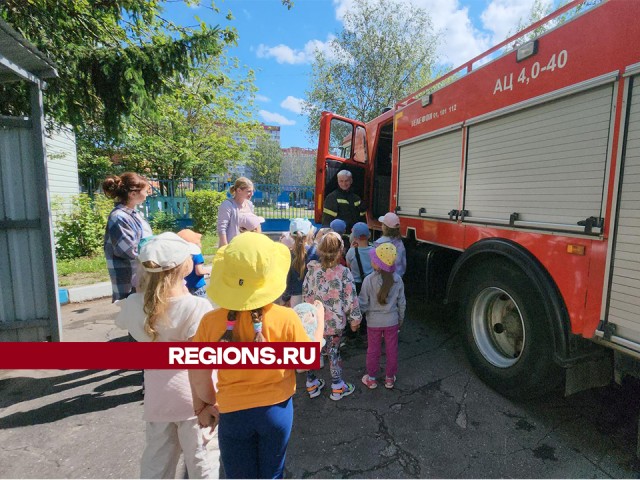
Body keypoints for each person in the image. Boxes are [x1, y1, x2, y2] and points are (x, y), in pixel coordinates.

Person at [189, 232, 323, 479]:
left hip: (231, 412)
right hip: (277, 411)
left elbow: (198, 371)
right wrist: (320, 322)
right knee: (272, 473)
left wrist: (205, 405)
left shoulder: (210, 321)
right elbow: (306, 363)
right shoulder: (287, 317)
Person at [114, 232, 216, 478]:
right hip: (193, 398)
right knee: (203, 460)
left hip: (157, 398)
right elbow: (199, 365)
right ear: (186, 266)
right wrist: (208, 402)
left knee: (157, 462)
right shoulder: (196, 307)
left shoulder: (133, 305)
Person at [303, 232, 362, 400]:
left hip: (314, 322)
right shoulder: (344, 273)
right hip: (335, 323)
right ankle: (337, 387)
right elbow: (351, 298)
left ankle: (312, 384)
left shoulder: (312, 270)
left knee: (312, 353)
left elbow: (306, 293)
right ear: (341, 251)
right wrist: (355, 320)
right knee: (334, 353)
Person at [359, 243, 406, 390]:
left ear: (378, 263)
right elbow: (402, 303)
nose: (371, 261)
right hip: (391, 321)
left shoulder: (368, 280)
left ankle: (371, 378)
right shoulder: (398, 279)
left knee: (373, 350)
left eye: (374, 259)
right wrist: (400, 320)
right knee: (392, 349)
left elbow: (363, 302)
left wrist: (361, 316)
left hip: (373, 322)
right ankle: (389, 378)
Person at [102, 172, 153, 301]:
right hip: (129, 284)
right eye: (146, 191)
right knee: (133, 318)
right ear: (133, 194)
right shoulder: (119, 217)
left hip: (139, 279)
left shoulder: (132, 214)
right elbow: (129, 250)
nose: (147, 194)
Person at [282, 218, 314, 308]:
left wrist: (285, 298)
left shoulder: (287, 255)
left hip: (294, 298)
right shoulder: (315, 253)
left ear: (291, 236)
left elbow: (287, 280)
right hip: (313, 297)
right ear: (309, 234)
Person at [216, 177, 255, 247]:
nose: (252, 194)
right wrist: (225, 248)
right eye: (249, 191)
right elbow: (221, 229)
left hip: (246, 247)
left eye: (252, 191)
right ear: (239, 190)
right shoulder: (227, 205)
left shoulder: (250, 205)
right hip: (231, 247)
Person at [176, 229, 211, 298]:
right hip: (197, 286)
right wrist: (209, 271)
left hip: (185, 286)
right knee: (203, 306)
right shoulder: (197, 254)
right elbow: (199, 271)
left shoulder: (181, 254)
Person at [374, 212, 407, 278]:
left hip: (383, 279)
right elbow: (403, 263)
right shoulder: (400, 242)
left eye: (382, 224)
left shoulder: (379, 243)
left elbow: (376, 263)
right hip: (398, 278)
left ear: (385, 227)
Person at [345, 222, 373, 295]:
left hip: (357, 284)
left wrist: (351, 248)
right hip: (372, 283)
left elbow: (348, 266)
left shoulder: (351, 252)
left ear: (354, 237)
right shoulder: (374, 250)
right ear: (369, 235)